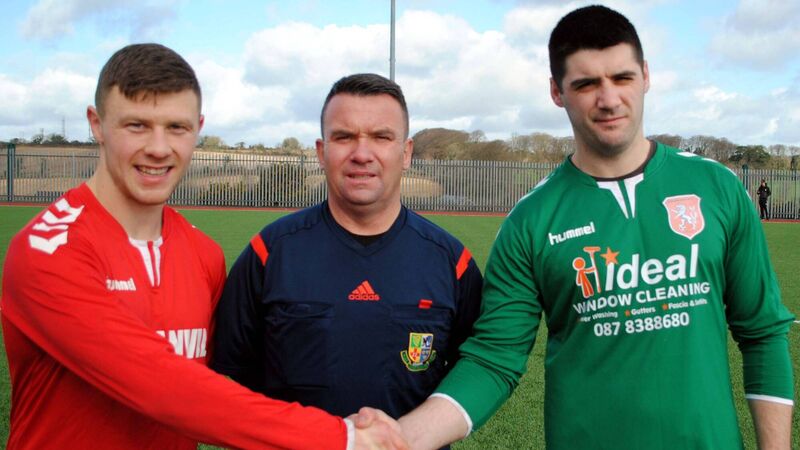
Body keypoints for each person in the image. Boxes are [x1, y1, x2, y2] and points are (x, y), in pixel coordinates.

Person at [372, 5, 795, 449]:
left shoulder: (717, 188)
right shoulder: (530, 221)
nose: (609, 99)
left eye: (623, 78)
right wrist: (398, 440)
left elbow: (762, 333)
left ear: (646, 75)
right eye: (586, 83)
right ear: (557, 91)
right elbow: (494, 359)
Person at [1, 43, 406, 450]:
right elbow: (163, 386)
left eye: (176, 128)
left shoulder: (203, 253)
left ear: (198, 127)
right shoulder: (48, 250)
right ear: (97, 124)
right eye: (136, 125)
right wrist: (341, 437)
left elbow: (219, 386)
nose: (159, 148)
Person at [211, 73, 482, 425]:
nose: (361, 154)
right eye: (344, 137)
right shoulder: (270, 252)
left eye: (381, 137)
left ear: (406, 152)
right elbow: (235, 368)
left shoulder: (452, 262)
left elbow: (474, 369)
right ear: (322, 152)